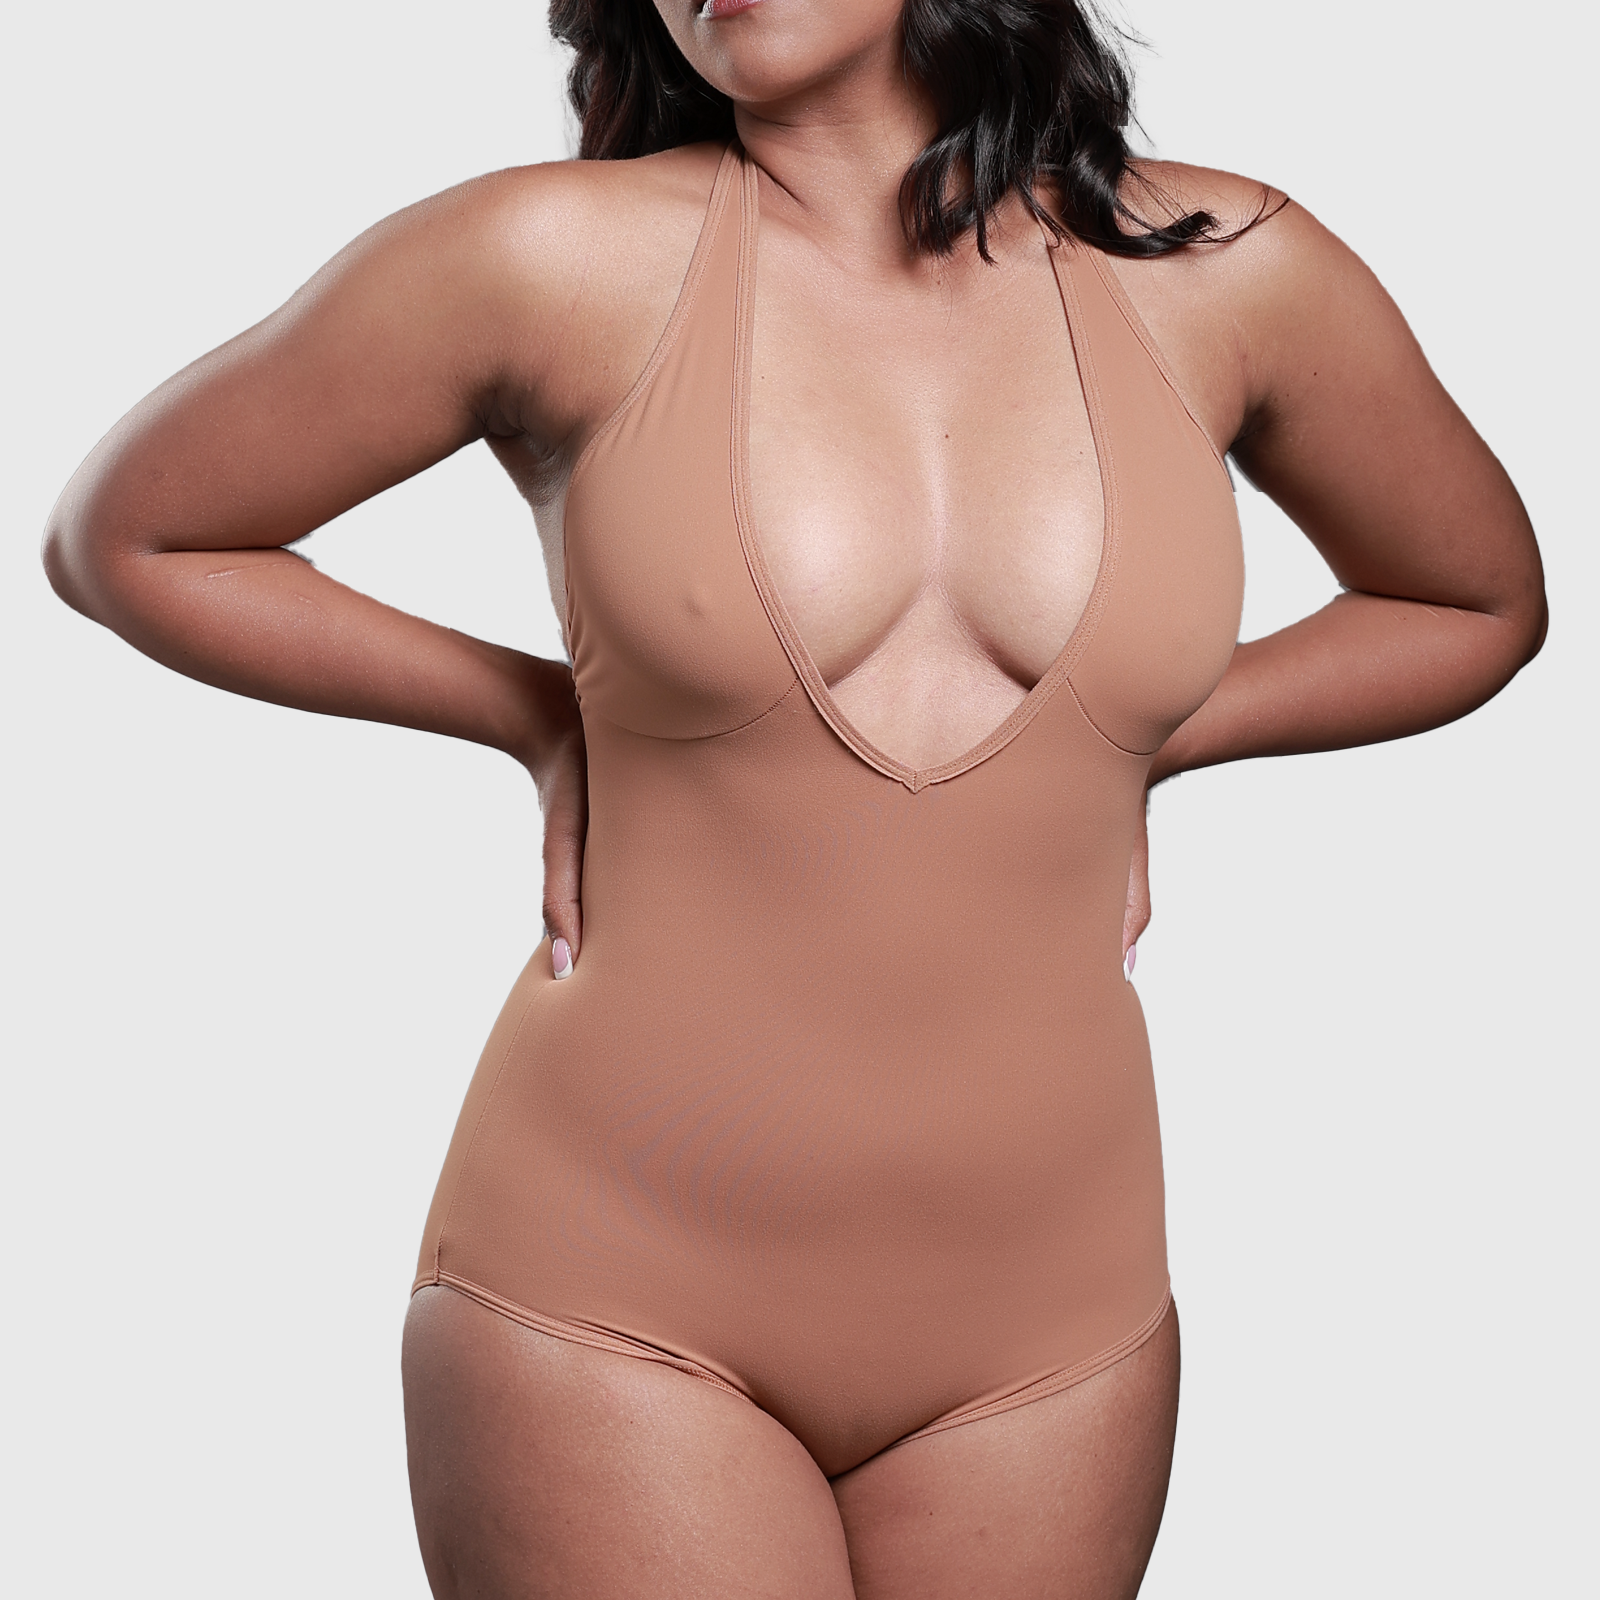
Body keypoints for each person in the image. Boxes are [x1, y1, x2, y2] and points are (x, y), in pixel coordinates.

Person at [41, 0, 1545, 1594]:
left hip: (1051, 1327)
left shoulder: (1223, 269)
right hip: (619, 1294)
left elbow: (1470, 599)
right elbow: (129, 538)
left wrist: (1141, 741)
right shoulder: (548, 260)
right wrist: (538, 717)